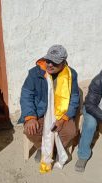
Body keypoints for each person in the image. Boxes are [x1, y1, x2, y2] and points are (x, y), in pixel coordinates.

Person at [19, 45, 80, 173]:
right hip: (41, 111)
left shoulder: (70, 74)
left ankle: (57, 149)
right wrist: (30, 117)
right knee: (30, 130)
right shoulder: (35, 73)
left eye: (55, 62)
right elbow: (26, 95)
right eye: (48, 60)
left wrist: (63, 119)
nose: (50, 65)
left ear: (63, 63)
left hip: (61, 113)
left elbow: (74, 98)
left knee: (70, 131)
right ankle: (42, 148)